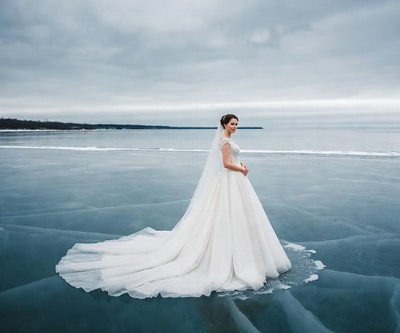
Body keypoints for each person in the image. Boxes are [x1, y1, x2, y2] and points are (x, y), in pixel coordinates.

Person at [56, 114, 291, 298]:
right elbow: (227, 164)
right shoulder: (224, 141)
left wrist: (241, 164)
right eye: (232, 123)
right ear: (224, 124)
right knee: (223, 216)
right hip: (231, 179)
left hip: (235, 182)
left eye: (237, 124)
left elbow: (232, 161)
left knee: (239, 218)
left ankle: (242, 252)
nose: (235, 127)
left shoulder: (228, 139)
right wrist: (243, 169)